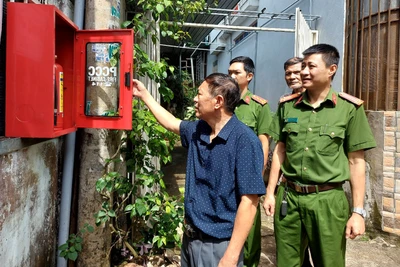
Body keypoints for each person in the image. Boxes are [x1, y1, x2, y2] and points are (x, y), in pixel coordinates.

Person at [133, 73, 266, 267]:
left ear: (218, 101)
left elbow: (249, 202)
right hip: (190, 240)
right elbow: (171, 122)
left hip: (218, 246)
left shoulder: (245, 141)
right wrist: (144, 95)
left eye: (199, 94)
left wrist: (231, 255)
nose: (194, 99)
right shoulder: (199, 130)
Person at [263, 44, 376, 267]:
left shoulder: (349, 108)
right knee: (287, 262)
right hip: (289, 197)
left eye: (310, 66)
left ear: (331, 69)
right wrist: (270, 193)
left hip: (327, 201)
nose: (303, 72)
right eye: (302, 66)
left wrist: (358, 212)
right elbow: (280, 150)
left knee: (329, 262)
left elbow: (356, 161)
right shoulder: (288, 106)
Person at [228, 56, 273, 267]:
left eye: (236, 72)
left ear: (249, 76)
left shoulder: (259, 106)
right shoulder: (222, 103)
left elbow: (264, 142)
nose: (231, 76)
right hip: (225, 177)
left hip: (247, 178)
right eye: (229, 72)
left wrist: (258, 175)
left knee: (250, 231)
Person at [283, 56, 313, 267]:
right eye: (288, 73)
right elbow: (282, 147)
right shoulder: (287, 104)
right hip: (291, 189)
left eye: (296, 71)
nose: (293, 76)